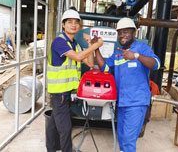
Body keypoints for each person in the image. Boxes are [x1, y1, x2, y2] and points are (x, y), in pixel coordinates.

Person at [94, 17, 161, 152]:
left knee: (129, 142)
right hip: (122, 102)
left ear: (134, 33)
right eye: (120, 32)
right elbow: (105, 68)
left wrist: (136, 56)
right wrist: (96, 48)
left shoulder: (142, 48)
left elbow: (156, 64)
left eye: (126, 32)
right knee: (123, 139)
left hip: (136, 103)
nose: (122, 35)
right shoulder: (118, 53)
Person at [46, 9, 103, 152]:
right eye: (70, 22)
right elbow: (78, 57)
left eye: (76, 22)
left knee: (53, 124)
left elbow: (90, 63)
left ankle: (51, 149)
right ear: (63, 25)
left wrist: (90, 45)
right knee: (65, 129)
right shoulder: (59, 42)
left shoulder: (75, 45)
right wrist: (97, 45)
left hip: (66, 94)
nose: (74, 25)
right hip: (59, 94)